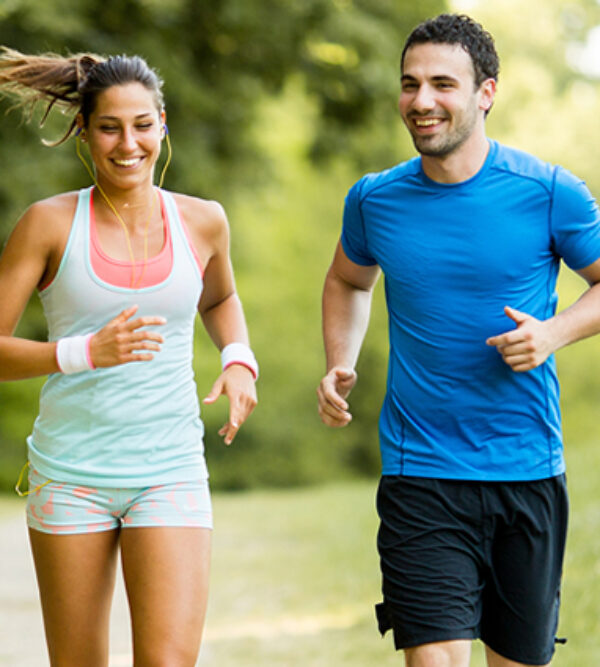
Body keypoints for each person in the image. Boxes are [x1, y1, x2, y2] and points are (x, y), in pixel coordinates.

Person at [317, 13, 600, 667]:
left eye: (442, 83)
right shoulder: (374, 200)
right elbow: (347, 280)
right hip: (421, 473)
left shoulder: (549, 192)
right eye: (409, 84)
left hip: (526, 468)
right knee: (434, 657)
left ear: (486, 92)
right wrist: (339, 362)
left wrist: (554, 332)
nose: (421, 101)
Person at [0, 48, 258, 666]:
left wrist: (240, 359)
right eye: (109, 127)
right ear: (86, 133)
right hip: (71, 475)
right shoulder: (49, 224)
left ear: (162, 123)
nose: (127, 144)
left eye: (142, 125)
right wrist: (82, 352)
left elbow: (219, 298)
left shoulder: (203, 222)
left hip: (168, 468)